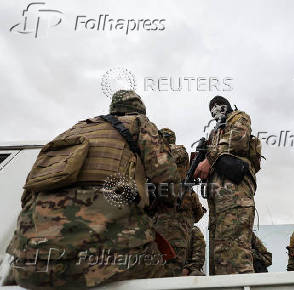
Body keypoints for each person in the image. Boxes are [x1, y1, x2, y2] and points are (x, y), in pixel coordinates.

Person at [6, 90, 179, 289]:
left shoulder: (75, 129)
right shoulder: (139, 123)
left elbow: (29, 190)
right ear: (139, 111)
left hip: (28, 260)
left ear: (113, 108)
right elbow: (167, 177)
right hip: (104, 258)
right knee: (165, 273)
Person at [194, 96, 257, 275]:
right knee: (219, 252)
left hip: (235, 193)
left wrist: (209, 159)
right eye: (211, 109)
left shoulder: (238, 117)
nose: (214, 110)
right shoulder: (214, 133)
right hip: (218, 197)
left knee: (235, 252)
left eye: (218, 106)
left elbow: (238, 137)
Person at [153, 128, 205, 277]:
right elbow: (197, 214)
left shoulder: (173, 152)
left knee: (169, 268)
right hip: (170, 219)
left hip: (170, 220)